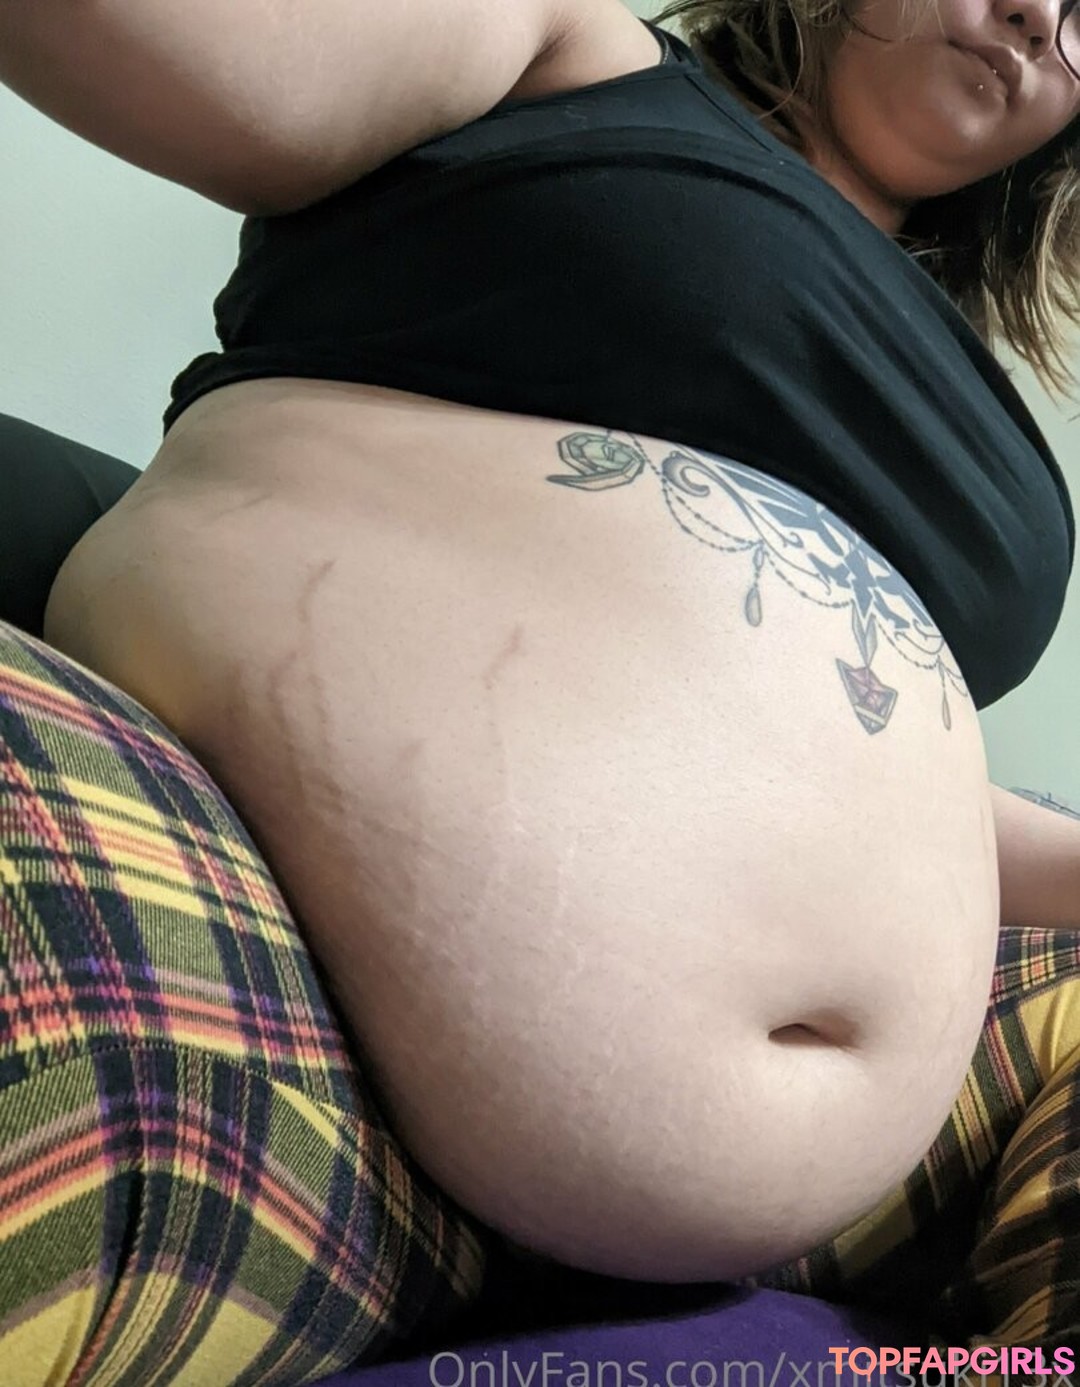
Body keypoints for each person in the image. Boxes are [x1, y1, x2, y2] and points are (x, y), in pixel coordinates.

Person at [2, 0, 1080, 1374]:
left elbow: (846, 770)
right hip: (301, 1030)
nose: (1038, 17)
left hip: (698, 1244)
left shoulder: (969, 384)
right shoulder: (580, 58)